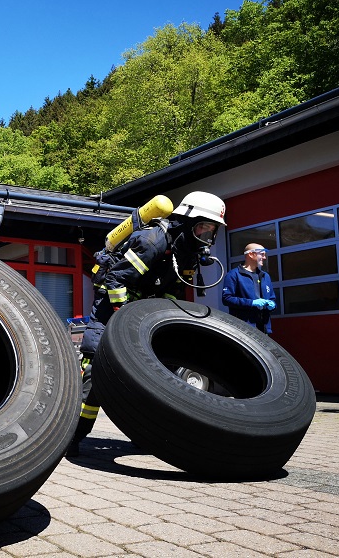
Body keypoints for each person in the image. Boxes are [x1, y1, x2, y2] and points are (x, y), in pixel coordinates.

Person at [66, 191, 227, 457]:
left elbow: (175, 289)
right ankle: (72, 435)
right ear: (186, 221)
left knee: (150, 376)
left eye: (210, 231)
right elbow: (116, 279)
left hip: (144, 313)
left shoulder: (187, 252)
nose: (205, 237)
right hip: (114, 310)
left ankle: (145, 434)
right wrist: (122, 312)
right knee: (96, 373)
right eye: (202, 228)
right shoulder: (153, 241)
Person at [221, 243, 276, 333]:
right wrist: (251, 303)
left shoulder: (265, 276)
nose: (264, 257)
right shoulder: (234, 275)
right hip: (243, 329)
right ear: (250, 254)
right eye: (262, 254)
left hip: (264, 328)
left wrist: (272, 305)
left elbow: (272, 298)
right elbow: (226, 299)